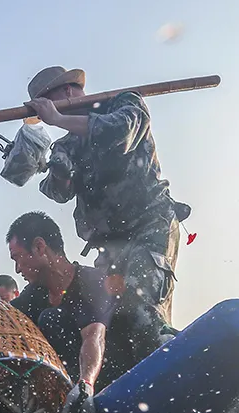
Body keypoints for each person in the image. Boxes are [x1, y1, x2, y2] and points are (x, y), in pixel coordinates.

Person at [25, 66, 188, 366]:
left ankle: (186, 367)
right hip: (109, 244)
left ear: (68, 91)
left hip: (149, 226)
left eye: (50, 104)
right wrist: (59, 171)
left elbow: (120, 132)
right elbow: (57, 191)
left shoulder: (124, 104)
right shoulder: (67, 144)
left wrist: (57, 118)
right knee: (110, 321)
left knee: (142, 313)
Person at [6, 212, 119, 413]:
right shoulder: (34, 295)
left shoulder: (92, 281)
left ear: (39, 247)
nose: (17, 269)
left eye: (17, 258)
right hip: (57, 399)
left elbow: (94, 337)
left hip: (101, 386)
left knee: (51, 318)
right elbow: (5, 317)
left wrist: (85, 385)